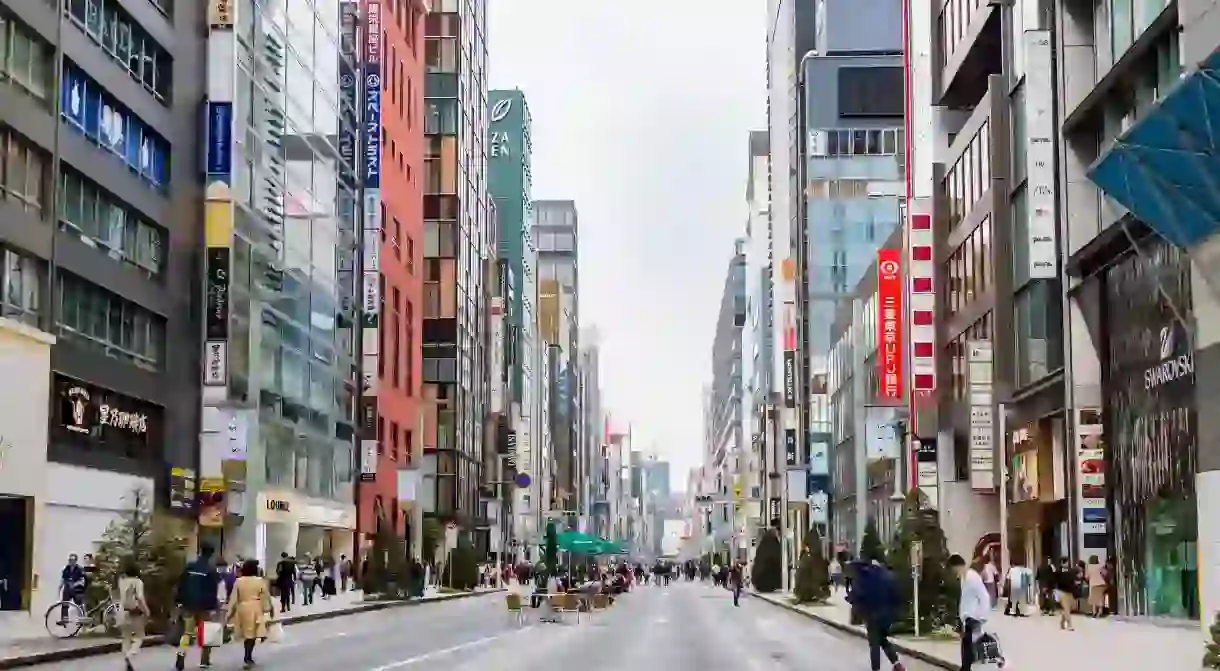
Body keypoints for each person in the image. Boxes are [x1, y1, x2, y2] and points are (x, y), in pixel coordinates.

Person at [848, 559, 906, 671]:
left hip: (872, 615)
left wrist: (851, 599)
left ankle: (876, 669)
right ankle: (897, 664)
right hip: (887, 615)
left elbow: (857, 595)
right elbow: (896, 595)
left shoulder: (862, 578)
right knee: (882, 639)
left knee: (874, 644)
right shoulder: (886, 576)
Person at [174, 544, 221, 671]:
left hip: (188, 604)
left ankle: (181, 653)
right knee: (204, 632)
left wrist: (179, 600)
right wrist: (214, 606)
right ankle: (204, 660)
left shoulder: (189, 566)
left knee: (187, 633)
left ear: (200, 551)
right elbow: (214, 590)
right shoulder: (211, 570)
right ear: (211, 554)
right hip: (204, 606)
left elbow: (181, 584)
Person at [950, 554, 994, 671]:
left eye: (954, 570)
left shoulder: (972, 577)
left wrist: (981, 618)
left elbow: (984, 597)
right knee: (967, 650)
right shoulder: (964, 578)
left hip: (973, 619)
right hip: (967, 619)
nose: (954, 573)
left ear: (957, 566)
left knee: (969, 651)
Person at [227, 559, 271, 669]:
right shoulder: (260, 581)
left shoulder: (238, 581)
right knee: (252, 634)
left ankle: (247, 656)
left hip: (242, 608)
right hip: (255, 608)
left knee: (247, 634)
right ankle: (248, 657)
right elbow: (264, 596)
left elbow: (233, 598)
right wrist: (267, 608)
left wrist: (229, 613)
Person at [118, 557, 149, 671]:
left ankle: (127, 659)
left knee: (126, 637)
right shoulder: (138, 582)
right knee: (140, 637)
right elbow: (140, 597)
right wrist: (146, 610)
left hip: (122, 611)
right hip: (134, 612)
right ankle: (130, 654)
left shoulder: (121, 581)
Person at [59, 554, 86, 624]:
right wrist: (60, 587)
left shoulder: (80, 569)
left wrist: (75, 584)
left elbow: (82, 581)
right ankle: (64, 619)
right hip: (68, 588)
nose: (71, 561)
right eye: (70, 560)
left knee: (79, 605)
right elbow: (63, 579)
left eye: (72, 560)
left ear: (75, 561)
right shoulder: (66, 568)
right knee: (65, 604)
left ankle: (82, 619)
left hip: (77, 589)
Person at [1056, 557, 1077, 630]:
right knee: (1067, 608)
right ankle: (1069, 625)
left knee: (1069, 608)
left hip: (1070, 592)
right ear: (1062, 563)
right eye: (1065, 562)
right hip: (1062, 592)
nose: (1067, 564)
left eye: (1067, 562)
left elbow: (1073, 582)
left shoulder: (1071, 571)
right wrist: (1056, 593)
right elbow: (1055, 583)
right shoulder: (1058, 572)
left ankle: (1062, 622)